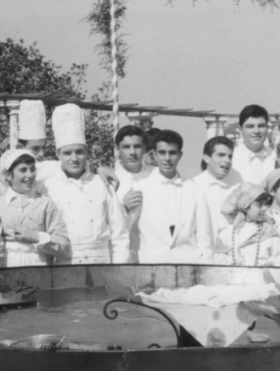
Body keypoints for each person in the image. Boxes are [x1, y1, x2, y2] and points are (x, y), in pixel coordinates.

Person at [38, 104, 129, 264]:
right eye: (67, 153)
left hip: (101, 262)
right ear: (58, 154)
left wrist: (119, 269)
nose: (74, 158)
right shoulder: (48, 187)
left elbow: (119, 232)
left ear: (87, 152)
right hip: (63, 263)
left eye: (79, 152)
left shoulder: (102, 183)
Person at [134, 130, 214, 263]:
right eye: (162, 152)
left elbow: (204, 237)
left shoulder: (195, 189)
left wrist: (204, 267)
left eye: (172, 153)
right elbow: (129, 231)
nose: (167, 158)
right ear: (154, 154)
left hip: (187, 264)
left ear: (180, 155)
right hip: (151, 264)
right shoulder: (141, 187)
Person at [0, 149, 69, 266]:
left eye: (32, 169)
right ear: (8, 175)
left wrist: (37, 236)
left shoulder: (45, 203)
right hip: (6, 269)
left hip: (39, 269)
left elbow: (63, 246)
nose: (30, 175)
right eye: (23, 170)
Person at [215, 183, 280, 266]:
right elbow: (218, 264)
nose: (264, 208)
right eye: (259, 205)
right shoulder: (226, 234)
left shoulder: (270, 233)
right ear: (245, 207)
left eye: (266, 204)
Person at [113, 125, 154, 262]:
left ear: (144, 148)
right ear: (117, 150)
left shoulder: (157, 176)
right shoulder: (110, 182)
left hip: (155, 254)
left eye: (137, 146)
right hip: (125, 256)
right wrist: (123, 207)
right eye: (126, 147)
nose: (132, 152)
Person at [192, 136, 243, 244]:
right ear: (207, 158)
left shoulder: (237, 186)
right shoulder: (193, 186)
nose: (227, 160)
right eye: (221, 155)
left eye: (230, 156)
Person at [232, 104, 276, 184]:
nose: (256, 131)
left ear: (267, 128)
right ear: (240, 129)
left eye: (261, 126)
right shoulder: (232, 159)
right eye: (250, 126)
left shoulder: (275, 158)